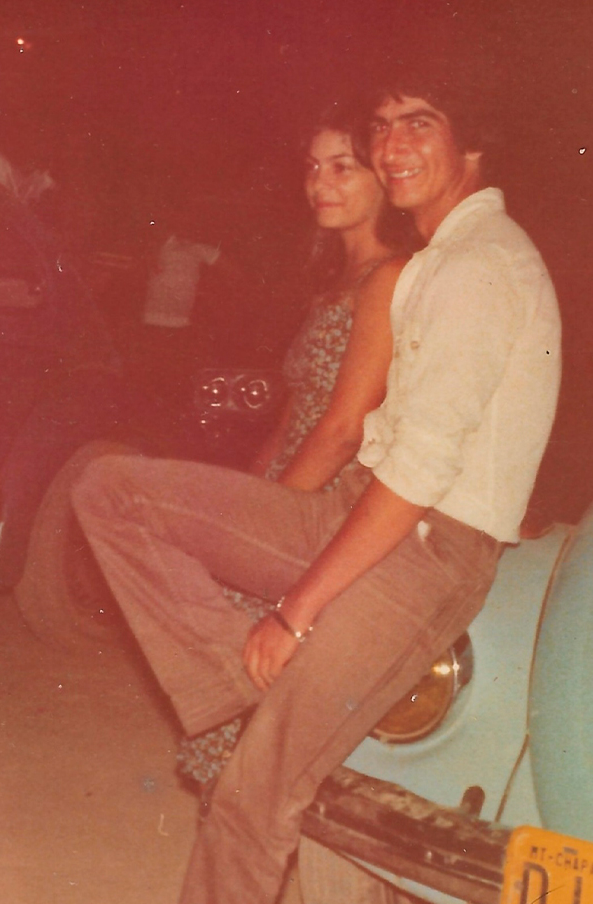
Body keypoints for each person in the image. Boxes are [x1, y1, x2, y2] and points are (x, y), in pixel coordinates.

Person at [29, 68, 561, 904]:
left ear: (472, 146)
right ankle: (226, 675)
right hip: (359, 512)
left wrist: (296, 613)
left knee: (254, 795)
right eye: (383, 126)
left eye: (420, 124)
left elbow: (418, 473)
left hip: (424, 548)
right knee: (112, 489)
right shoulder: (441, 258)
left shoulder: (481, 267)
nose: (394, 145)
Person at [176, 112, 415, 792]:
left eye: (342, 167)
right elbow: (292, 416)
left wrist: (268, 515)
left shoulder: (389, 278)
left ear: (382, 177)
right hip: (292, 483)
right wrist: (245, 498)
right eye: (312, 167)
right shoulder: (339, 280)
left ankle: (241, 812)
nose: (320, 183)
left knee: (250, 671)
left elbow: (343, 429)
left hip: (326, 501)